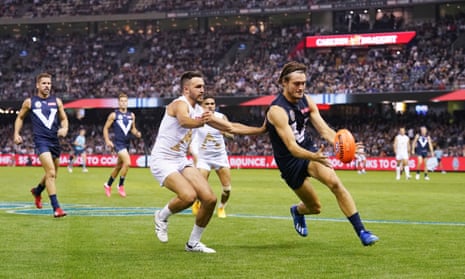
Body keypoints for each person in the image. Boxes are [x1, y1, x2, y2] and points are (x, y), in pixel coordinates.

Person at [150, 71, 265, 253]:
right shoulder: (179, 104)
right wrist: (201, 122)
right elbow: (184, 121)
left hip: (180, 160)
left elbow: (230, 127)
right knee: (188, 196)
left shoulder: (201, 111)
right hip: (162, 160)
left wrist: (260, 130)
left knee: (210, 199)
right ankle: (161, 216)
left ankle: (193, 243)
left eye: (203, 86)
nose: (203, 90)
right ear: (186, 89)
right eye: (198, 86)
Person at [265, 61, 378, 246]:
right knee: (315, 208)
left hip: (309, 150)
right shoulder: (277, 110)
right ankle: (297, 211)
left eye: (303, 83)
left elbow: (324, 130)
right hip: (290, 162)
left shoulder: (307, 101)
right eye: (296, 83)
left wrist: (343, 144)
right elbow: (292, 147)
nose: (301, 87)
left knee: (335, 183)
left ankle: (362, 232)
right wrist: (314, 156)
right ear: (284, 83)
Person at [13, 72, 68, 218]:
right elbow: (20, 117)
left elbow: (64, 119)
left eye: (49, 83)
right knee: (50, 173)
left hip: (55, 142)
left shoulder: (57, 101)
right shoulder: (29, 102)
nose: (47, 86)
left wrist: (65, 128)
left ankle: (37, 191)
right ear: (38, 85)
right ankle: (56, 208)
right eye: (44, 83)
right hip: (41, 141)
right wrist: (16, 133)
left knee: (53, 173)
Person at [190, 95, 235, 218]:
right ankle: (198, 203)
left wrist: (225, 132)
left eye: (212, 103)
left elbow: (232, 135)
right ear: (202, 106)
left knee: (227, 189)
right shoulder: (197, 119)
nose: (210, 106)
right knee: (200, 188)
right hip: (204, 159)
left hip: (220, 158)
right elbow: (190, 136)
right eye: (207, 104)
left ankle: (221, 208)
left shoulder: (221, 118)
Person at [102, 92, 142, 197]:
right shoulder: (114, 115)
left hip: (127, 143)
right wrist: (107, 140)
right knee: (128, 163)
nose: (123, 103)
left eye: (125, 101)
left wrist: (137, 133)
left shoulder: (131, 115)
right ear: (118, 103)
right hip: (118, 143)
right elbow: (105, 128)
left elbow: (132, 129)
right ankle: (120, 186)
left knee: (118, 167)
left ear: (127, 103)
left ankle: (107, 184)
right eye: (121, 101)